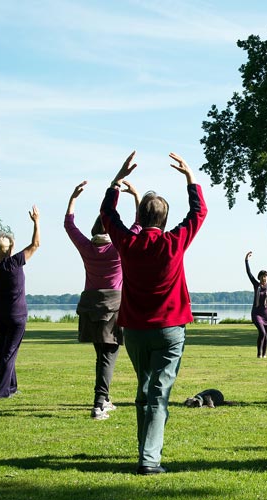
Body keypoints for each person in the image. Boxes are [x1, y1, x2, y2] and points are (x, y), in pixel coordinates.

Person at [100, 150, 207, 475]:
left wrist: (117, 180)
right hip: (170, 329)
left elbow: (108, 215)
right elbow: (199, 212)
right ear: (162, 219)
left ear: (143, 218)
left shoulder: (129, 244)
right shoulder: (173, 242)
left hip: (134, 332)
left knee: (146, 391)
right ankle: (149, 461)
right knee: (157, 394)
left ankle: (145, 455)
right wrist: (190, 178)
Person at [65, 179, 141, 420]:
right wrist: (137, 196)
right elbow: (139, 225)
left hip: (90, 306)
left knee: (102, 355)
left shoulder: (87, 247)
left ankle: (105, 399)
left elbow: (69, 225)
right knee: (109, 355)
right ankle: (99, 404)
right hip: (112, 307)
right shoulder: (118, 249)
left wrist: (73, 199)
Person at [0, 204, 40, 399]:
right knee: (9, 352)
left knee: (3, 350)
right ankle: (2, 391)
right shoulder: (15, 262)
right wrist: (36, 222)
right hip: (16, 315)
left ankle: (12, 386)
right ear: (11, 248)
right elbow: (35, 245)